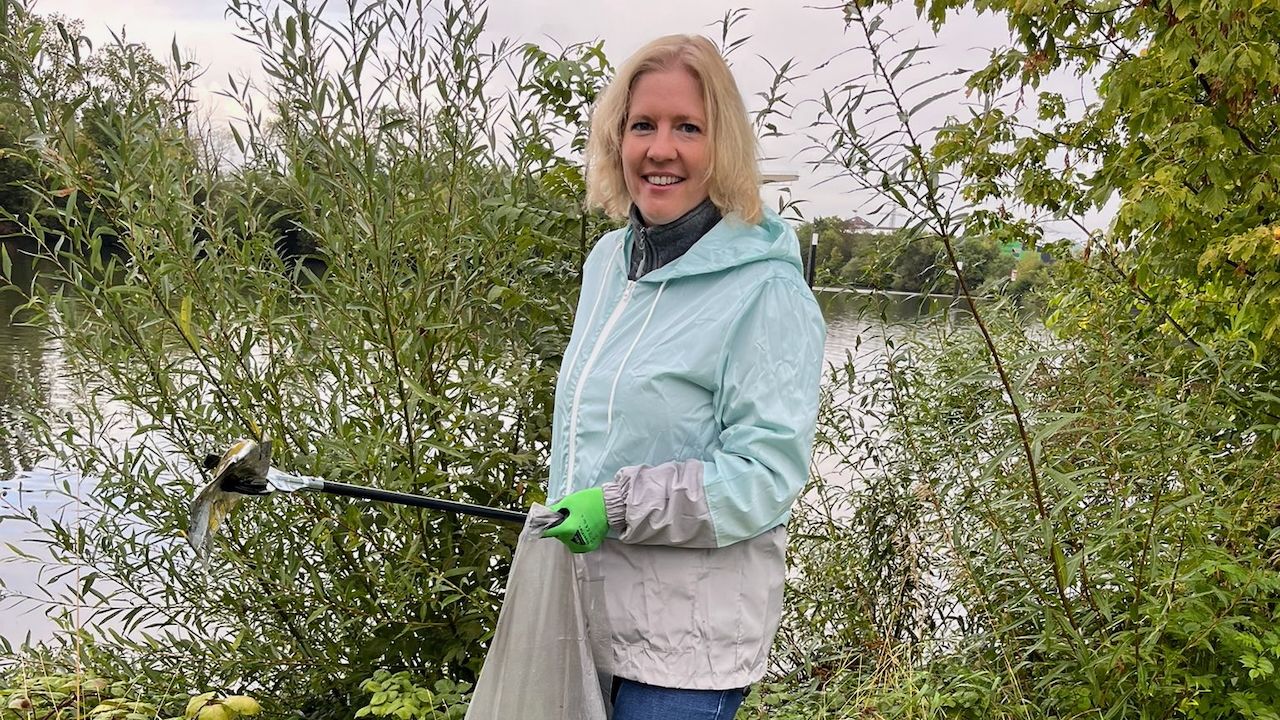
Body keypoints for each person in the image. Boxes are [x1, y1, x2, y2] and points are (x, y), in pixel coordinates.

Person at [540, 33, 826, 720]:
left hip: (687, 653)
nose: (660, 149)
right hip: (584, 623)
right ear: (617, 139)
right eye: (643, 125)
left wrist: (616, 505)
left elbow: (764, 478)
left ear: (722, 145)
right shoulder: (608, 264)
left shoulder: (767, 291)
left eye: (688, 128)